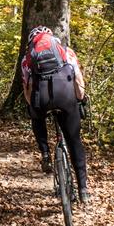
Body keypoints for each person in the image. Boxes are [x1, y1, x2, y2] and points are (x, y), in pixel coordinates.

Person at [22, 26, 89, 203]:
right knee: (74, 140)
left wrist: (34, 108)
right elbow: (78, 79)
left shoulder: (27, 58)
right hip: (66, 97)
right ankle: (83, 189)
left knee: (36, 117)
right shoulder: (67, 51)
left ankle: (44, 152)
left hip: (41, 99)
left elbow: (27, 90)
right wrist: (80, 99)